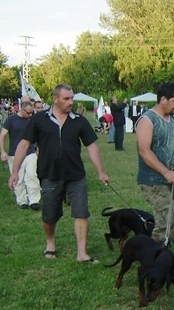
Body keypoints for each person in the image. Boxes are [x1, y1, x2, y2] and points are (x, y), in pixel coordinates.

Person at [8, 84, 110, 262]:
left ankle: (82, 253)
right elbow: (24, 145)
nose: (71, 101)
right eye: (66, 98)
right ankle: (50, 243)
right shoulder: (39, 119)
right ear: (55, 99)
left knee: (81, 212)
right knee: (49, 215)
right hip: (50, 175)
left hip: (76, 176)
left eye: (72, 98)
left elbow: (92, 146)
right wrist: (15, 172)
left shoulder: (78, 120)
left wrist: (101, 171)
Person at [136, 82, 174, 244]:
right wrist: (166, 172)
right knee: (167, 220)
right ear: (163, 99)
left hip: (172, 180)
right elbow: (144, 151)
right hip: (153, 180)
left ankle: (161, 250)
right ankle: (151, 256)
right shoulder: (147, 120)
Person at [1, 101, 40, 209]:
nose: (30, 115)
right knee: (18, 178)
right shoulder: (11, 120)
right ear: (22, 110)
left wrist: (38, 148)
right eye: (28, 113)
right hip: (14, 154)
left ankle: (34, 200)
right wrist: (3, 151)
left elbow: (38, 134)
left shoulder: (32, 120)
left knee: (32, 175)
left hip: (30, 152)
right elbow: (2, 135)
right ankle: (22, 200)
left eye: (32, 113)